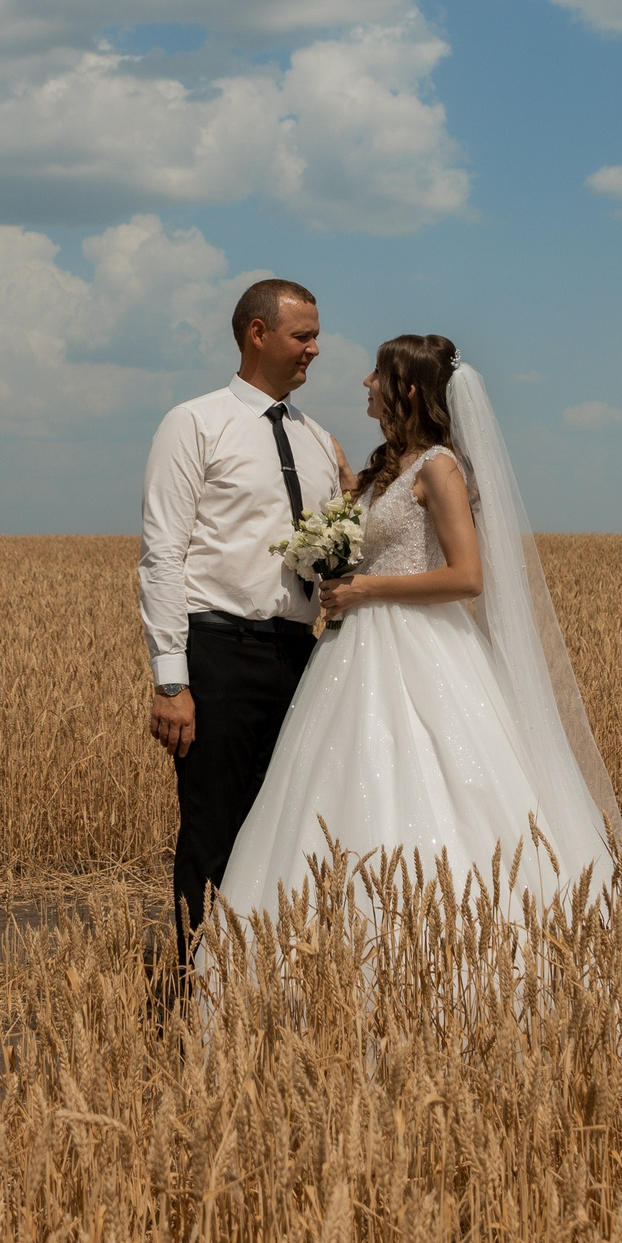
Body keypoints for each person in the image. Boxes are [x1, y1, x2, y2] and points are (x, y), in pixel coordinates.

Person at [217, 334, 622, 933]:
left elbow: (466, 577)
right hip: (355, 647)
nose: (365, 381)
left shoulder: (440, 468)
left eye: (377, 373)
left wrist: (365, 590)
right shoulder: (389, 465)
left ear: (408, 388)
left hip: (419, 645)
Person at [139, 279, 356, 949]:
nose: (315, 350)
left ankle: (258, 997)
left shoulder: (319, 439)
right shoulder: (193, 422)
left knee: (285, 831)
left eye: (316, 335)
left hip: (301, 655)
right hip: (220, 654)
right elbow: (162, 553)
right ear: (257, 333)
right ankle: (190, 1000)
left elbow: (335, 554)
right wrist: (173, 680)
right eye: (303, 335)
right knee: (213, 834)